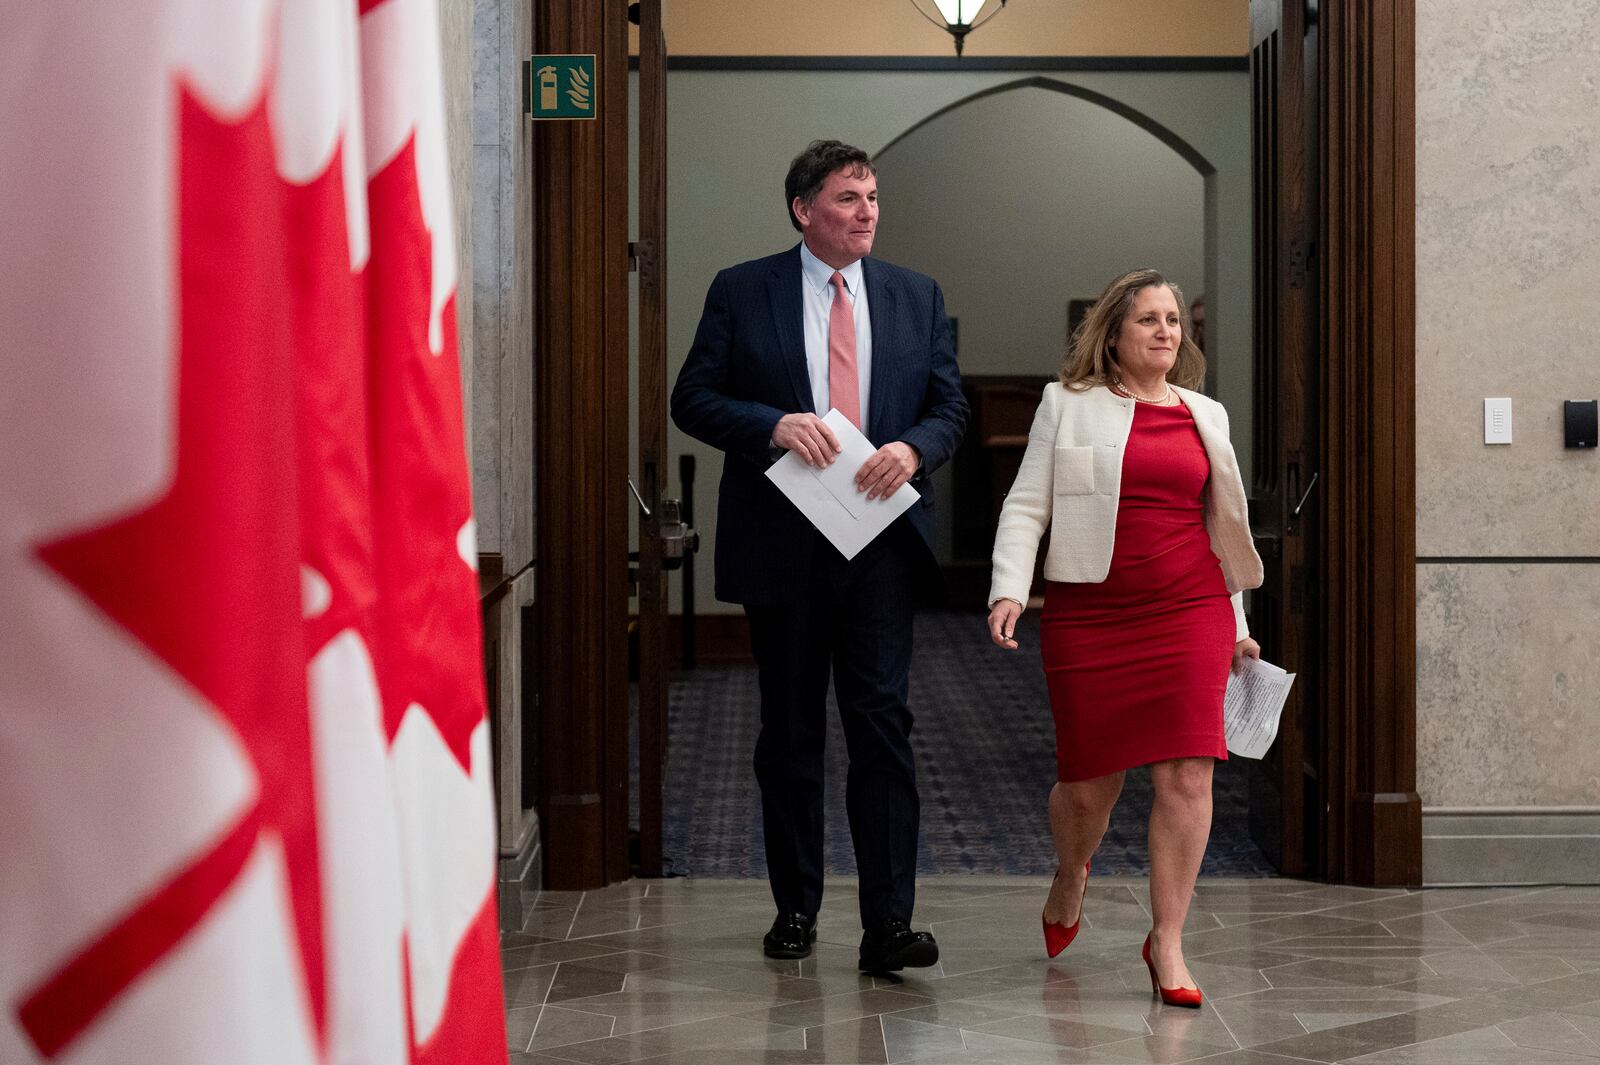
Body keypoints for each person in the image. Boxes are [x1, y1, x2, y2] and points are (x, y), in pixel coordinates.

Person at [671, 139, 969, 973]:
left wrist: (913, 450)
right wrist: (768, 423)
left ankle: (889, 925)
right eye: (848, 198)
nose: (867, 211)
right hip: (784, 541)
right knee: (791, 730)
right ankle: (795, 907)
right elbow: (691, 396)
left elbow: (951, 407)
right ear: (805, 210)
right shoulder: (743, 289)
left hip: (879, 543)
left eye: (872, 196)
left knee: (882, 727)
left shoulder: (916, 294)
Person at [985, 269, 1262, 1008]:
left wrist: (1237, 628)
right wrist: (1010, 586)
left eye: (1175, 319)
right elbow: (1025, 503)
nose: (1167, 331)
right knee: (1088, 785)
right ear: (1113, 334)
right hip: (1093, 613)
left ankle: (1167, 938)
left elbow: (1222, 528)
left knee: (1187, 775)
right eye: (1149, 319)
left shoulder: (1207, 414)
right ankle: (1072, 870)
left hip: (1190, 605)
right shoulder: (1066, 405)